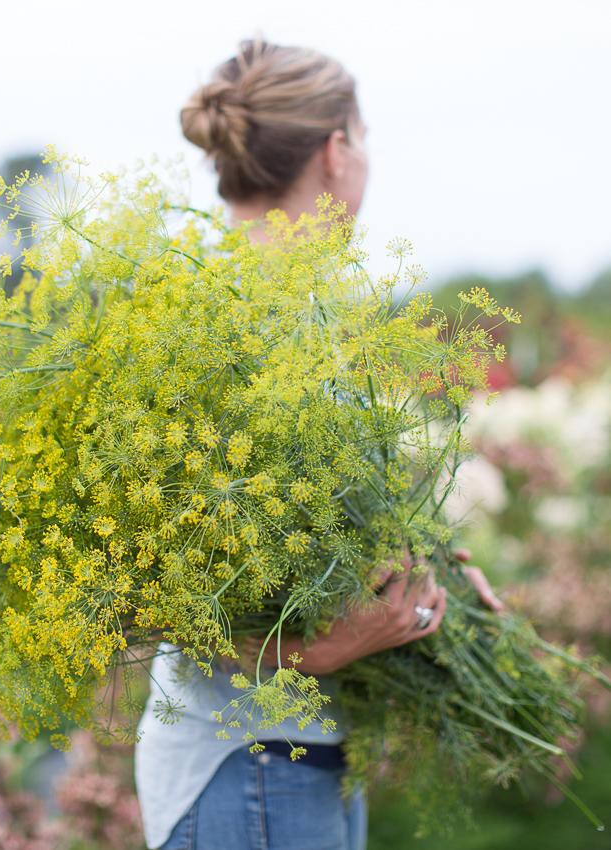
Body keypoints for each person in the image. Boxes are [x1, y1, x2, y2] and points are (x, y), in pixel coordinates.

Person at [133, 35, 505, 850]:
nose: (367, 157)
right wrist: (321, 650)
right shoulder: (220, 321)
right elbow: (149, 588)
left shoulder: (301, 316)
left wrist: (425, 564)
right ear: (336, 151)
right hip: (247, 765)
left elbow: (312, 534)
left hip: (292, 759)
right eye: (363, 137)